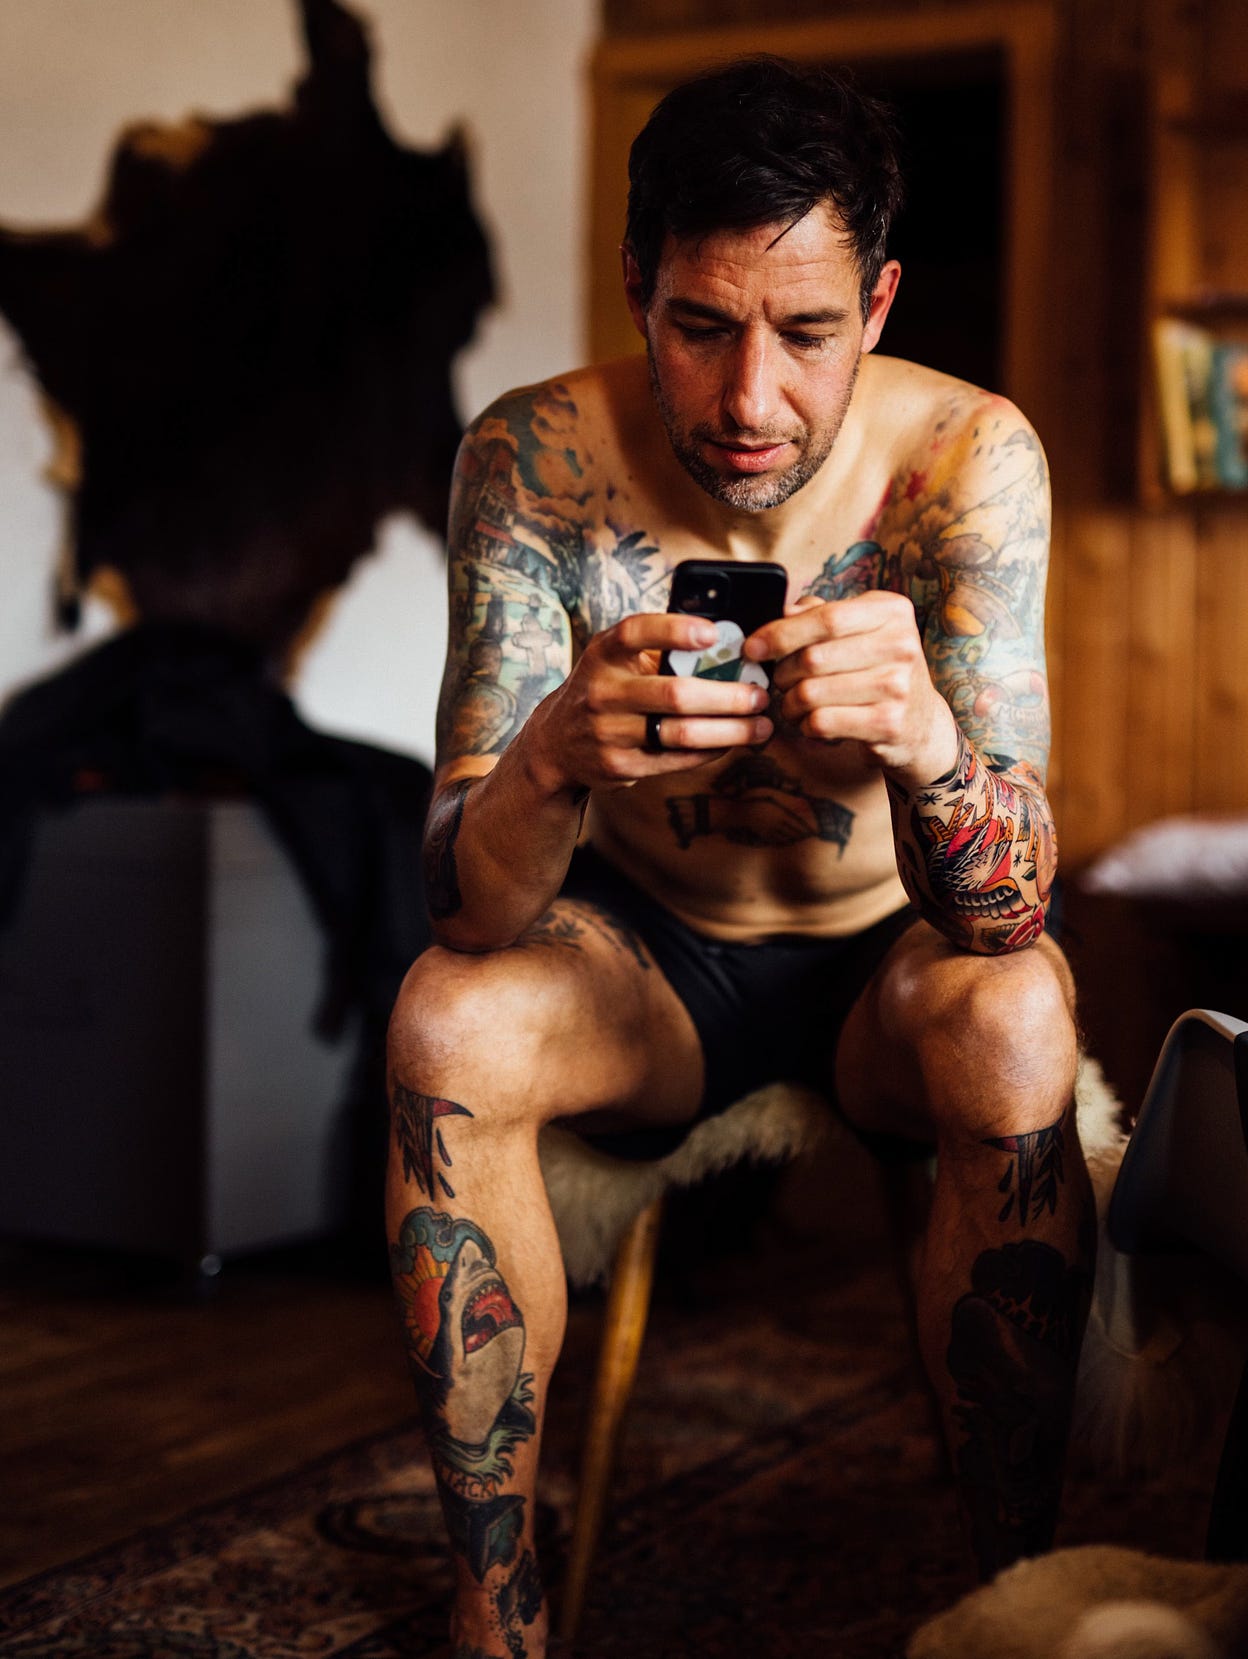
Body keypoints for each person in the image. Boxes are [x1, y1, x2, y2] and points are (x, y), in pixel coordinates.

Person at [386, 56, 1091, 1659]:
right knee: (444, 1015)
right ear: (638, 286)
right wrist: (558, 748)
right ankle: (494, 1619)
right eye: (703, 326)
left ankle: (1018, 1597)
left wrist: (927, 745)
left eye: (809, 331)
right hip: (645, 961)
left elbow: (1011, 912)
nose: (751, 399)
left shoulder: (965, 463)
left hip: (885, 968)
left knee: (1025, 1011)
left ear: (885, 299)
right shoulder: (532, 461)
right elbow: (462, 900)